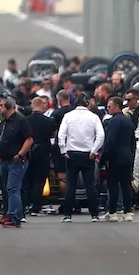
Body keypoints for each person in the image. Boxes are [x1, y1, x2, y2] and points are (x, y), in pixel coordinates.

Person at [56, 92, 103, 221]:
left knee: (71, 185)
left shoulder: (68, 116)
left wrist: (63, 150)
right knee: (90, 185)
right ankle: (94, 214)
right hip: (88, 154)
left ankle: (67, 214)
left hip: (71, 153)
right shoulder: (93, 117)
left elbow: (61, 135)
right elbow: (101, 135)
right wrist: (94, 150)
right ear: (87, 103)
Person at [0, 97, 33, 228]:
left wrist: (20, 154)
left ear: (8, 107)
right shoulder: (4, 122)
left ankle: (13, 217)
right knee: (7, 189)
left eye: (1, 106)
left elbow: (29, 139)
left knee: (13, 188)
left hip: (16, 161)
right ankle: (11, 214)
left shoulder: (20, 120)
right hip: (4, 160)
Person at [100, 96, 135, 221]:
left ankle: (112, 212)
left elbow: (110, 141)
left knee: (113, 184)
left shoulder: (113, 121)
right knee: (126, 184)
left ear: (116, 107)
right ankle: (128, 211)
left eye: (109, 107)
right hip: (127, 156)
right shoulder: (128, 120)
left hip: (115, 157)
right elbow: (132, 141)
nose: (108, 109)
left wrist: (105, 157)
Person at [25, 95, 59, 216]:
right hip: (43, 152)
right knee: (40, 180)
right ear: (42, 106)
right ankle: (36, 207)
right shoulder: (49, 121)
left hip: (28, 152)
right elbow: (54, 135)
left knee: (28, 179)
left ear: (32, 105)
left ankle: (27, 204)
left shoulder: (25, 120)